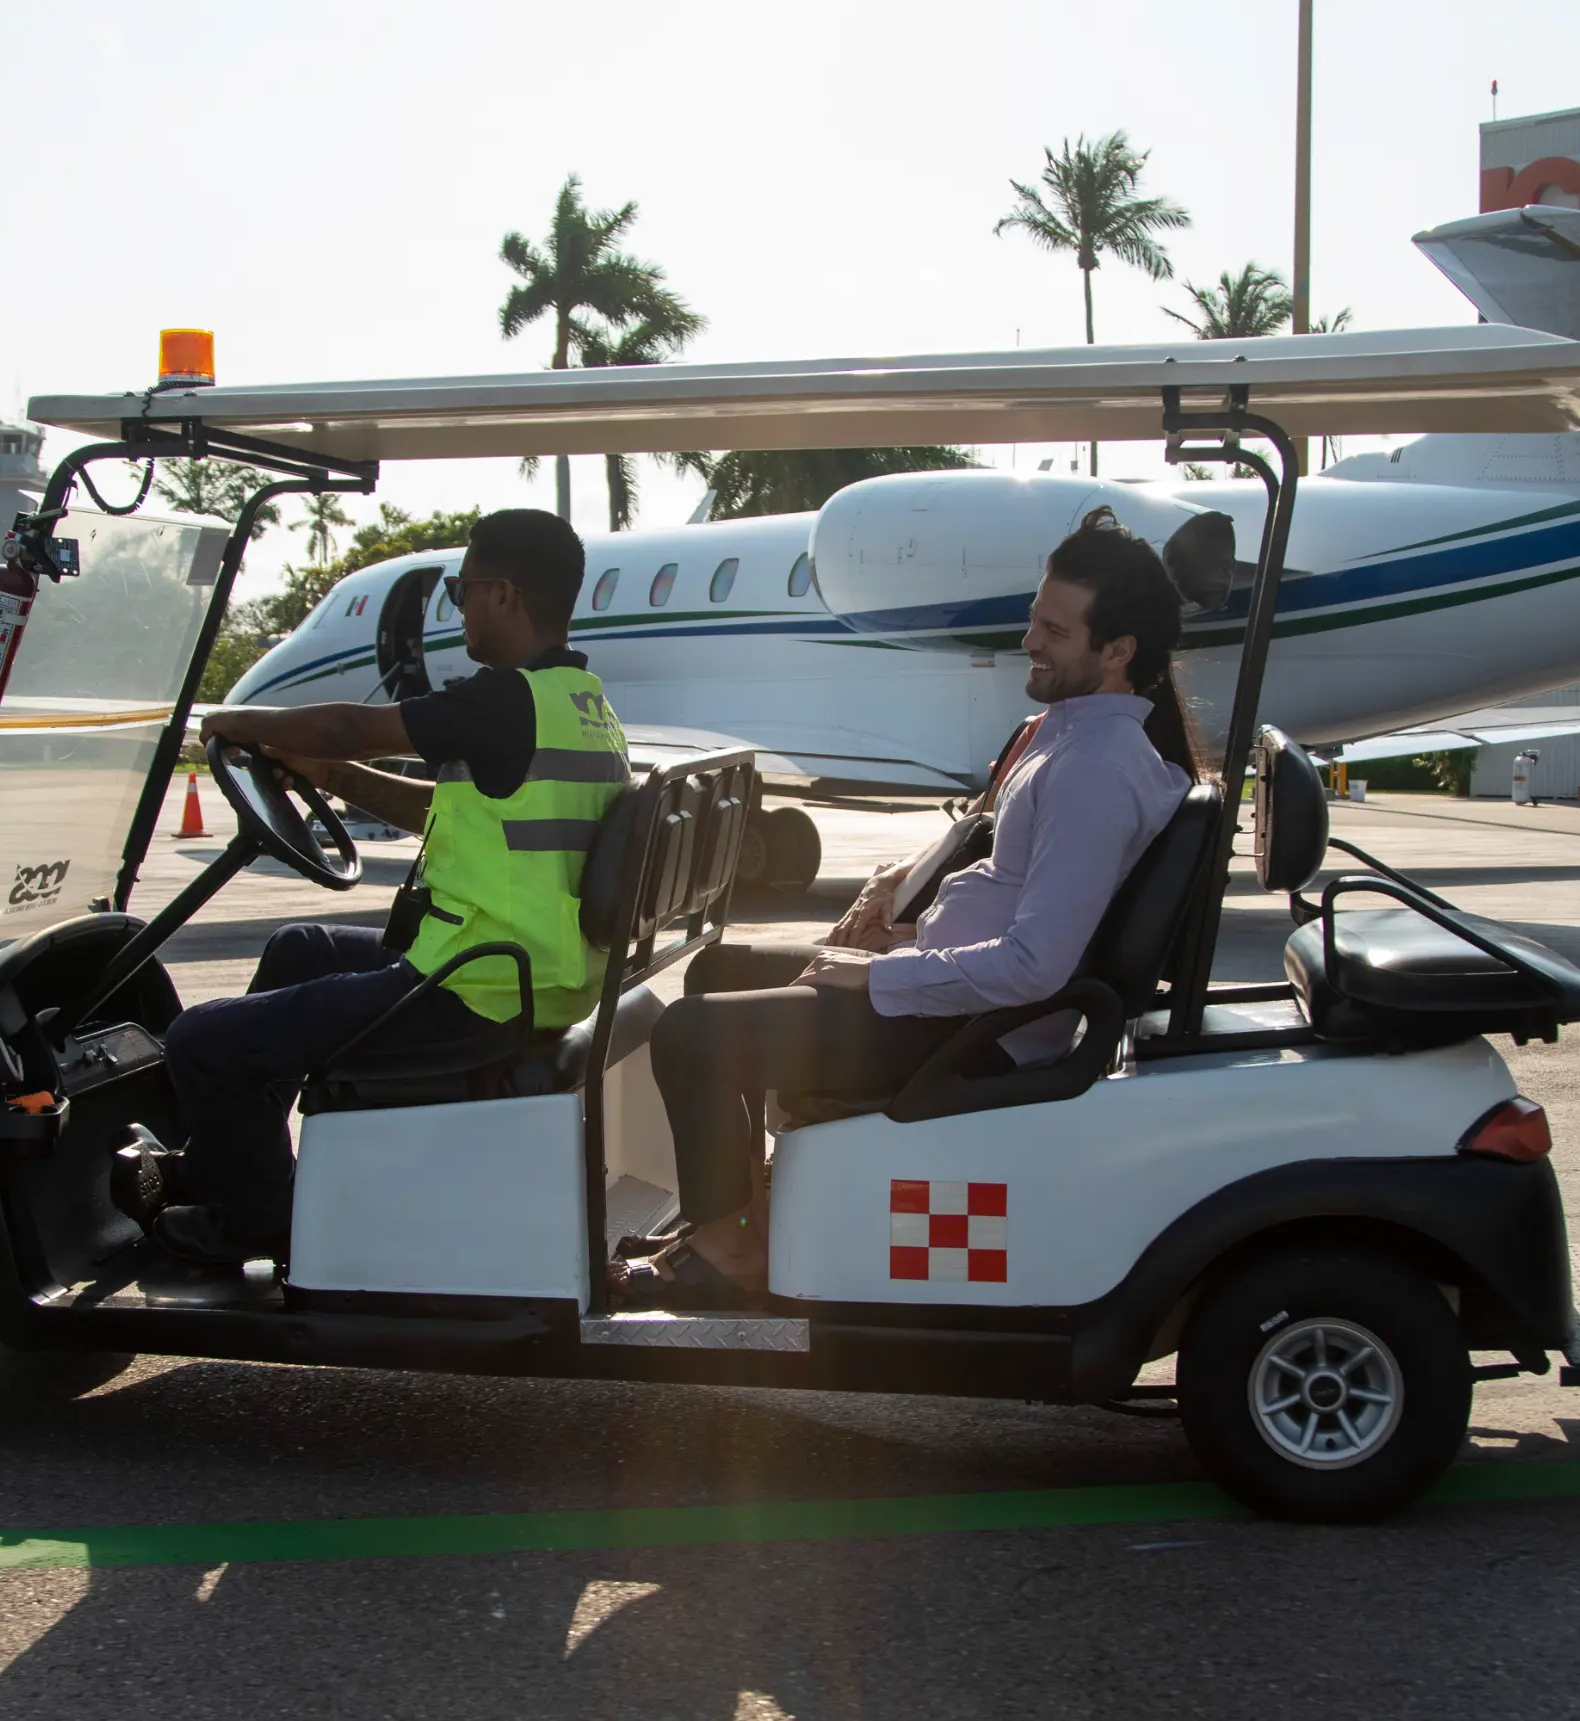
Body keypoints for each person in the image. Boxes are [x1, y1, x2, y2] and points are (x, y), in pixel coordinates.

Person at [630, 509, 1198, 1307]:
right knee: (719, 968)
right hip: (947, 998)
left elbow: (1037, 966)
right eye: (1036, 617)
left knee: (690, 1036)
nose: (1029, 639)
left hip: (974, 1032)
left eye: (1053, 630)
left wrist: (880, 977)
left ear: (1117, 652)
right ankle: (747, 1207)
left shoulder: (1094, 769)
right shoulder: (1068, 739)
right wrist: (898, 932)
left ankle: (731, 1252)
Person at [155, 508, 627, 1263]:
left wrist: (233, 721)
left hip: (476, 986)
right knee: (298, 947)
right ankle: (234, 1176)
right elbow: (440, 809)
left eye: (463, 589)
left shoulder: (504, 699)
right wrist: (332, 779)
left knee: (200, 1041)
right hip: (527, 967)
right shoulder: (581, 704)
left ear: (503, 594)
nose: (460, 607)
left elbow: (349, 723)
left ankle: (258, 1221)